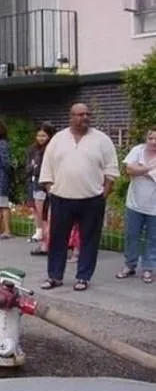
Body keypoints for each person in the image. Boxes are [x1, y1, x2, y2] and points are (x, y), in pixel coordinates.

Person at [38, 103, 120, 291]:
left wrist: (103, 195)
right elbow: (47, 169)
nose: (85, 117)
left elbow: (111, 171)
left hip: (92, 200)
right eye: (80, 114)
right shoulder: (58, 139)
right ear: (71, 116)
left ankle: (83, 277)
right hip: (61, 199)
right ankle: (55, 276)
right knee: (58, 240)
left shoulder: (102, 140)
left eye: (87, 114)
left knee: (89, 240)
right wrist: (52, 190)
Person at [115, 127, 156, 284]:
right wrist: (148, 169)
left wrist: (141, 170)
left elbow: (136, 170)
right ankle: (129, 265)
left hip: (154, 207)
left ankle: (148, 268)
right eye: (151, 138)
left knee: (153, 238)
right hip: (135, 203)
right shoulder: (137, 150)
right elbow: (129, 169)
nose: (153, 142)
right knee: (131, 235)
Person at [26, 122, 55, 244]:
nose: (40, 138)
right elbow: (28, 164)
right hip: (33, 181)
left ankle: (44, 233)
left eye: (43, 136)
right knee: (35, 208)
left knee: (44, 209)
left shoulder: (51, 149)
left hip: (44, 183)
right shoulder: (32, 149)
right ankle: (39, 230)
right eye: (39, 136)